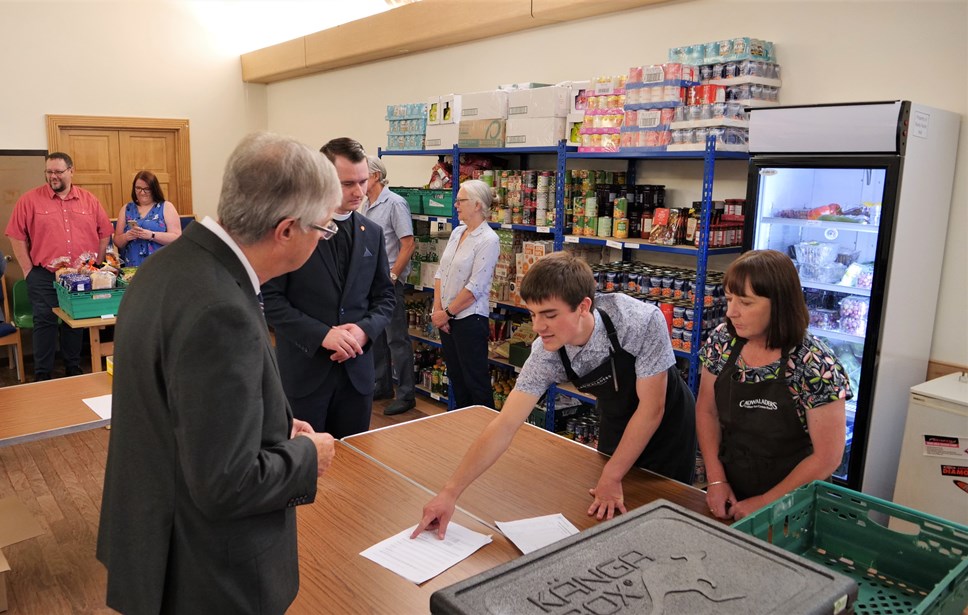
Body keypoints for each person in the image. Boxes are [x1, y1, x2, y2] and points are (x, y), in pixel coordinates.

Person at [96, 132, 339, 614]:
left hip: (153, 536)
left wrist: (268, 424)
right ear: (287, 230)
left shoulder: (169, 266)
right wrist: (307, 456)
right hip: (205, 573)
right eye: (325, 229)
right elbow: (226, 483)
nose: (324, 238)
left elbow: (185, 407)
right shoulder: (220, 309)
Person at [414, 252, 696, 538]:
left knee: (664, 517)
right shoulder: (546, 354)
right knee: (613, 522)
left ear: (583, 306)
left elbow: (652, 409)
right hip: (616, 417)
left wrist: (612, 475)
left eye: (550, 315)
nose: (538, 327)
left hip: (667, 425)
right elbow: (505, 425)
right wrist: (449, 493)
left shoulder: (639, 322)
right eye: (533, 314)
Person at [696, 249, 851, 521]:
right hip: (733, 487)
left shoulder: (815, 364)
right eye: (730, 299)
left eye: (745, 302)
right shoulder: (723, 342)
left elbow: (828, 457)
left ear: (779, 304)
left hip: (795, 502)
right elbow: (707, 411)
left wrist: (767, 502)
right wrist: (717, 480)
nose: (731, 312)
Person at [262, 137, 395, 438]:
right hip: (305, 376)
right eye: (348, 184)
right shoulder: (292, 230)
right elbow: (270, 299)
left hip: (357, 378)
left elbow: (385, 296)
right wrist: (323, 335)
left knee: (356, 467)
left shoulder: (371, 233)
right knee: (304, 473)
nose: (359, 192)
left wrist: (364, 330)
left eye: (363, 182)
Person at [5, 152, 113, 381]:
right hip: (44, 275)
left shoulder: (89, 200)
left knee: (75, 321)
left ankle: (73, 367)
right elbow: (15, 235)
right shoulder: (29, 200)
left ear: (71, 171)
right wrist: (27, 270)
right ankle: (43, 373)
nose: (53, 176)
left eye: (58, 172)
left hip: (81, 276)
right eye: (49, 172)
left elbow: (105, 232)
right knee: (44, 320)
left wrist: (96, 266)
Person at [431, 179, 500, 409]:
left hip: (469, 320)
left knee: (476, 383)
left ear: (478, 205)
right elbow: (441, 272)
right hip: (447, 320)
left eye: (461, 200)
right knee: (457, 382)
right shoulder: (458, 232)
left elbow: (476, 287)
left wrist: (447, 313)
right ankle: (464, 433)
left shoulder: (489, 240)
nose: (456, 205)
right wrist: (438, 310)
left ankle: (487, 436)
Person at [362, 155, 417, 416]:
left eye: (363, 173)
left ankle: (407, 395)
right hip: (370, 282)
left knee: (397, 340)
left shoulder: (395, 203)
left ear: (375, 176)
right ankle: (382, 385)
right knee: (376, 338)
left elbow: (408, 244)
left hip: (388, 283)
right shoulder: (366, 204)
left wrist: (393, 276)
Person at [113, 170, 182, 266]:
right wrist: (126, 237)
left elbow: (177, 237)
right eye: (138, 188)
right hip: (132, 268)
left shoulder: (166, 206)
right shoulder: (126, 208)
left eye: (146, 189)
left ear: (154, 189)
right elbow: (117, 242)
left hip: (160, 265)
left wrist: (152, 235)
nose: (142, 192)